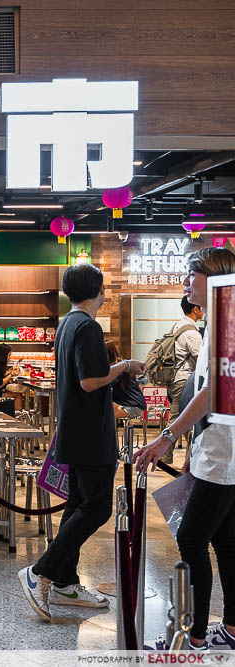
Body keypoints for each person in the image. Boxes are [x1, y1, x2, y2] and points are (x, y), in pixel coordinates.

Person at [18, 263, 144, 622]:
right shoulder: (87, 326)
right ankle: (40, 571)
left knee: (76, 505)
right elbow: (90, 381)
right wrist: (125, 367)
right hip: (90, 433)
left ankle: (66, 582)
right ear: (99, 290)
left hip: (73, 429)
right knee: (98, 506)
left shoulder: (66, 324)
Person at [135, 246, 235, 651]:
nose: (185, 282)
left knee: (192, 539)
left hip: (223, 454)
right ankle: (230, 629)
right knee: (226, 540)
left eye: (191, 274)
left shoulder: (225, 323)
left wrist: (167, 436)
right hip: (220, 449)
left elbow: (212, 393)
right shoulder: (219, 320)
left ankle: (191, 638)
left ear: (211, 277)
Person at [162, 297, 204, 463]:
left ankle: (190, 455)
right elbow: (200, 363)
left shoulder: (178, 326)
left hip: (173, 379)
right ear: (195, 309)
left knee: (185, 418)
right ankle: (164, 455)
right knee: (177, 418)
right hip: (183, 381)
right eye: (201, 308)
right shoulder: (193, 333)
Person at [106, 340, 146, 420]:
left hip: (132, 406)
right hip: (137, 404)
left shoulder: (116, 368)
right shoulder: (122, 364)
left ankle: (110, 432)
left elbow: (106, 385)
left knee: (102, 412)